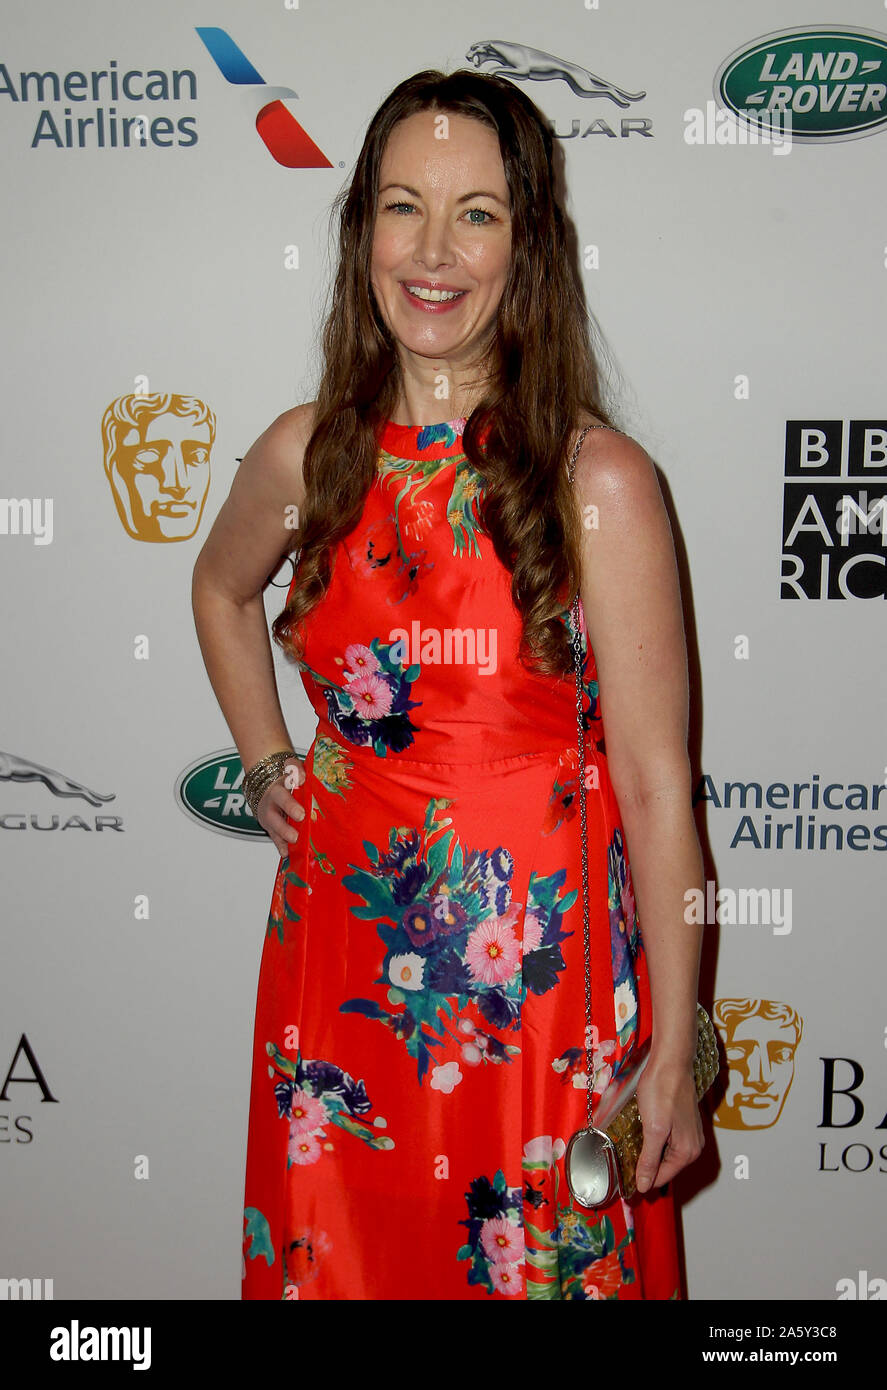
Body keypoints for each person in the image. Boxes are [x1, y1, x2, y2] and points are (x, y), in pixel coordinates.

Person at [191, 67, 706, 1301]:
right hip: (343, 961)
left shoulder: (602, 483)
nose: (433, 251)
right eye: (401, 205)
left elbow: (652, 783)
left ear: (527, 246)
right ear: (359, 226)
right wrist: (270, 761)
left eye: (476, 212)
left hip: (542, 980)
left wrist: (676, 1045)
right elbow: (219, 593)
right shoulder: (302, 452)